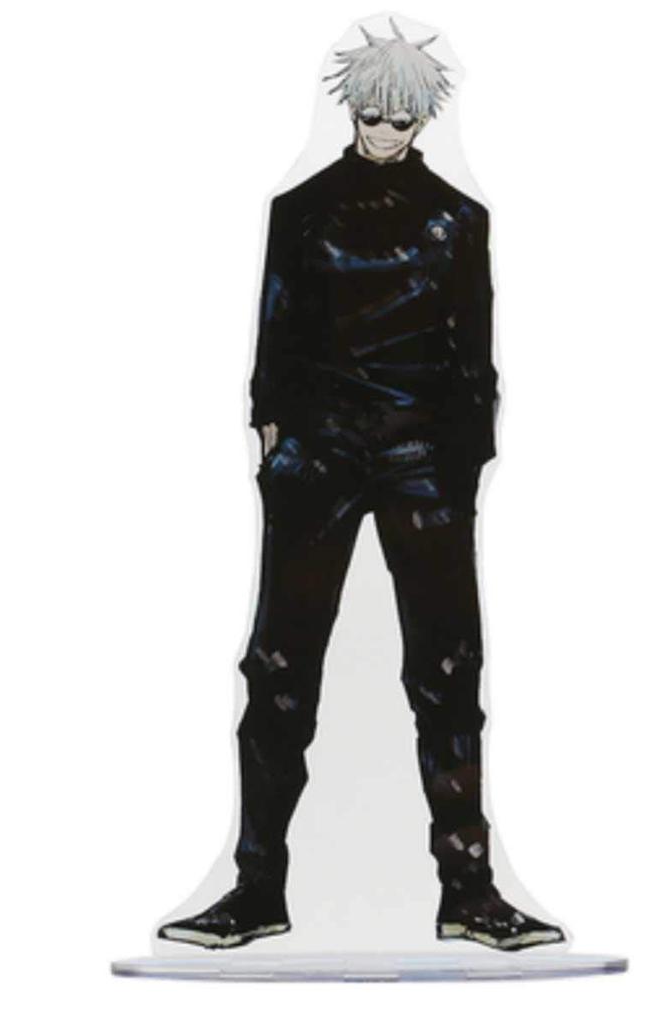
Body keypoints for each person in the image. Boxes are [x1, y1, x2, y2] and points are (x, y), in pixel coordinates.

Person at [158, 18, 566, 952]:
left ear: (422, 118)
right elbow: (275, 337)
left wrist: (463, 463)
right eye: (371, 113)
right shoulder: (299, 211)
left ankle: (468, 892)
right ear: (350, 108)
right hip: (320, 456)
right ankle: (256, 888)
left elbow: (474, 355)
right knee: (278, 671)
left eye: (399, 116)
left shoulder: (457, 220)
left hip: (421, 457)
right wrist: (274, 435)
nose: (382, 129)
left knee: (448, 670)